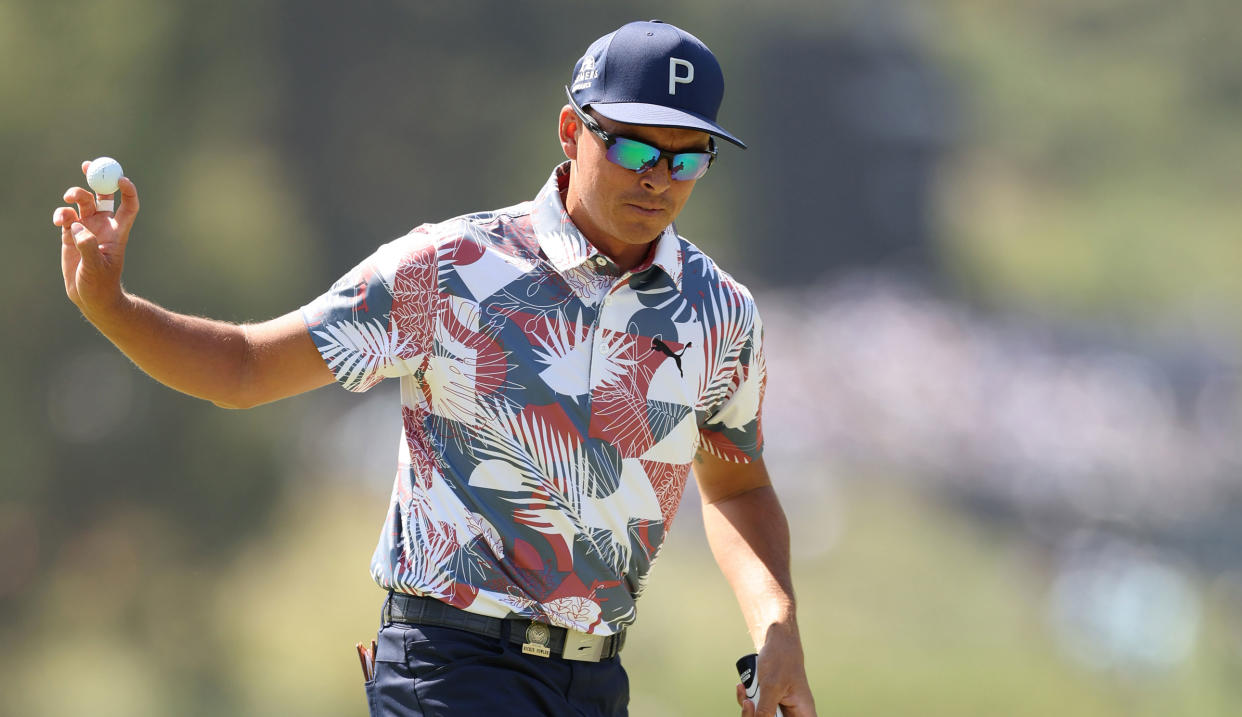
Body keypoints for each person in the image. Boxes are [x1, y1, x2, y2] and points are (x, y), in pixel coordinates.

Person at [53, 19, 816, 717]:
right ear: (570, 131)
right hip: (451, 668)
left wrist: (774, 618)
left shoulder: (719, 313)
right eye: (633, 147)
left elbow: (737, 482)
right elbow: (246, 369)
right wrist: (111, 305)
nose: (658, 177)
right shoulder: (450, 268)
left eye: (687, 159)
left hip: (596, 682)